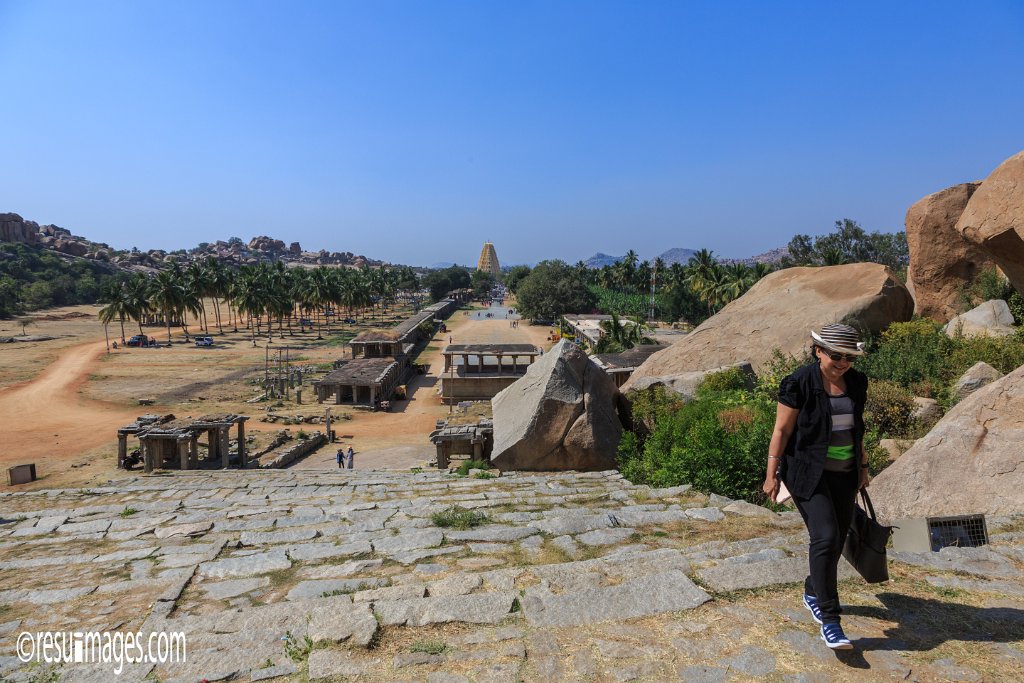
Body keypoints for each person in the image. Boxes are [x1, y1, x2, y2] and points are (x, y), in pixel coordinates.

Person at [762, 323, 871, 651]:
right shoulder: (798, 383)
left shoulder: (857, 382)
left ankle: (813, 589)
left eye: (849, 357)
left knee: (836, 539)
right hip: (808, 474)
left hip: (845, 473)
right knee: (824, 536)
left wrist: (864, 467)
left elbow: (858, 429)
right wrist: (771, 475)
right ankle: (831, 620)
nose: (842, 363)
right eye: (836, 355)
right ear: (818, 350)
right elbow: (781, 431)